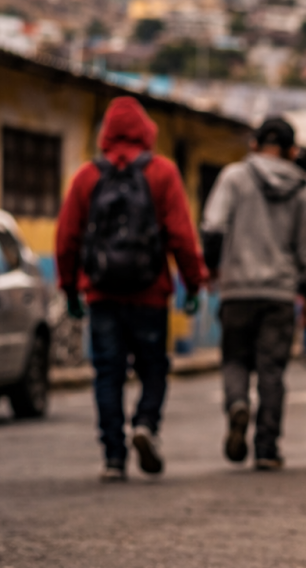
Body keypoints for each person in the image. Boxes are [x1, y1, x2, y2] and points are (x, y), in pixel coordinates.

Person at [55, 96, 207, 482]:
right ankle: (145, 424)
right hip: (150, 292)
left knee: (108, 373)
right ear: (146, 131)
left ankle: (113, 456)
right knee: (153, 367)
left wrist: (70, 290)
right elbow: (181, 235)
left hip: (101, 294)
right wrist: (192, 283)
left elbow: (67, 238)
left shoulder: (88, 176)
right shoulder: (162, 173)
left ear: (105, 133)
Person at [201, 117, 306, 471]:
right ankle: (267, 448)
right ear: (292, 150)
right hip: (280, 294)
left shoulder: (233, 177)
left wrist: (213, 268)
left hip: (237, 287)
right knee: (272, 370)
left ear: (254, 144)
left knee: (235, 358)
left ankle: (238, 403)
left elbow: (213, 225)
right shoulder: (302, 189)